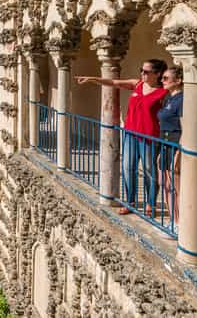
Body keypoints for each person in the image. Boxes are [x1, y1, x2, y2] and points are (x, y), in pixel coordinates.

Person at [76, 59, 168, 215]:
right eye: (141, 70)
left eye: (146, 71)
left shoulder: (163, 93)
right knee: (127, 168)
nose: (142, 73)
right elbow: (113, 82)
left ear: (157, 74)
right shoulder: (138, 84)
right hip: (131, 134)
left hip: (150, 138)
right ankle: (130, 202)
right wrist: (93, 79)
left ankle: (151, 204)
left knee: (149, 170)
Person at [157, 66, 183, 225]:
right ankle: (173, 220)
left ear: (178, 80)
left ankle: (180, 223)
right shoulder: (168, 98)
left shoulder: (182, 100)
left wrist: (179, 154)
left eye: (166, 78)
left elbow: (186, 129)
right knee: (165, 183)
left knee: (176, 186)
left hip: (175, 144)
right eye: (162, 78)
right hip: (164, 144)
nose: (162, 80)